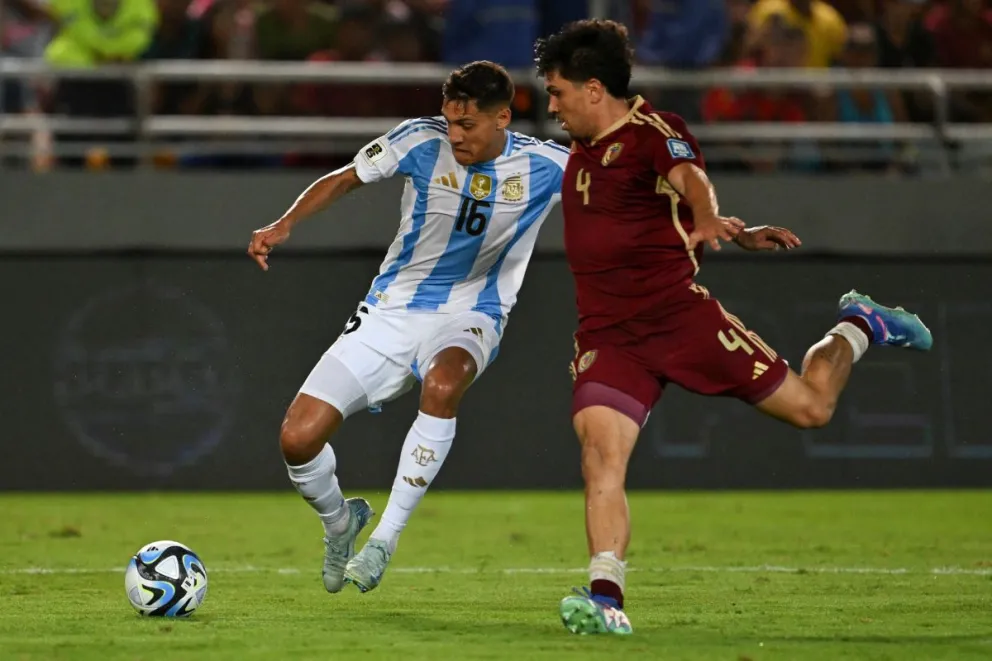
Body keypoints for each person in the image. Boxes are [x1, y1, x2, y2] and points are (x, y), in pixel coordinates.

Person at [533, 19, 933, 635]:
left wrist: (713, 218)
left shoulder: (651, 133)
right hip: (609, 337)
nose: (551, 105)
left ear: (592, 89)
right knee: (600, 457)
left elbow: (691, 179)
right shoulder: (583, 148)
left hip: (678, 318)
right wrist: (734, 230)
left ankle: (860, 323)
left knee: (812, 409)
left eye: (557, 91)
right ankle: (606, 598)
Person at [247, 60, 569, 594]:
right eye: (450, 120)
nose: (455, 134)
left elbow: (631, 192)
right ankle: (340, 524)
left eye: (468, 125)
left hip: (473, 313)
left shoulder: (548, 165)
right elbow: (347, 178)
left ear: (503, 119)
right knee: (297, 439)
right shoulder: (420, 139)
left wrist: (710, 220)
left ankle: (384, 541)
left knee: (443, 386)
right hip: (391, 311)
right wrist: (284, 224)